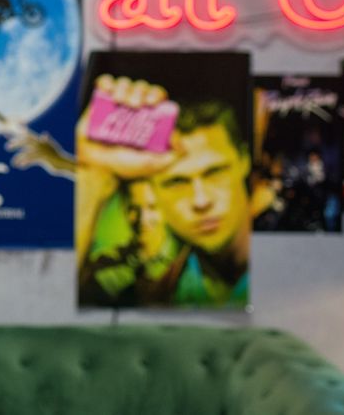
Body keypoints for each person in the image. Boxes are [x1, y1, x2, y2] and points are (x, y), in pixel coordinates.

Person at [75, 75, 254, 307]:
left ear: (244, 161)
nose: (201, 201)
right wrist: (95, 175)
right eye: (177, 183)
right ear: (153, 190)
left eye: (214, 173)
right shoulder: (153, 294)